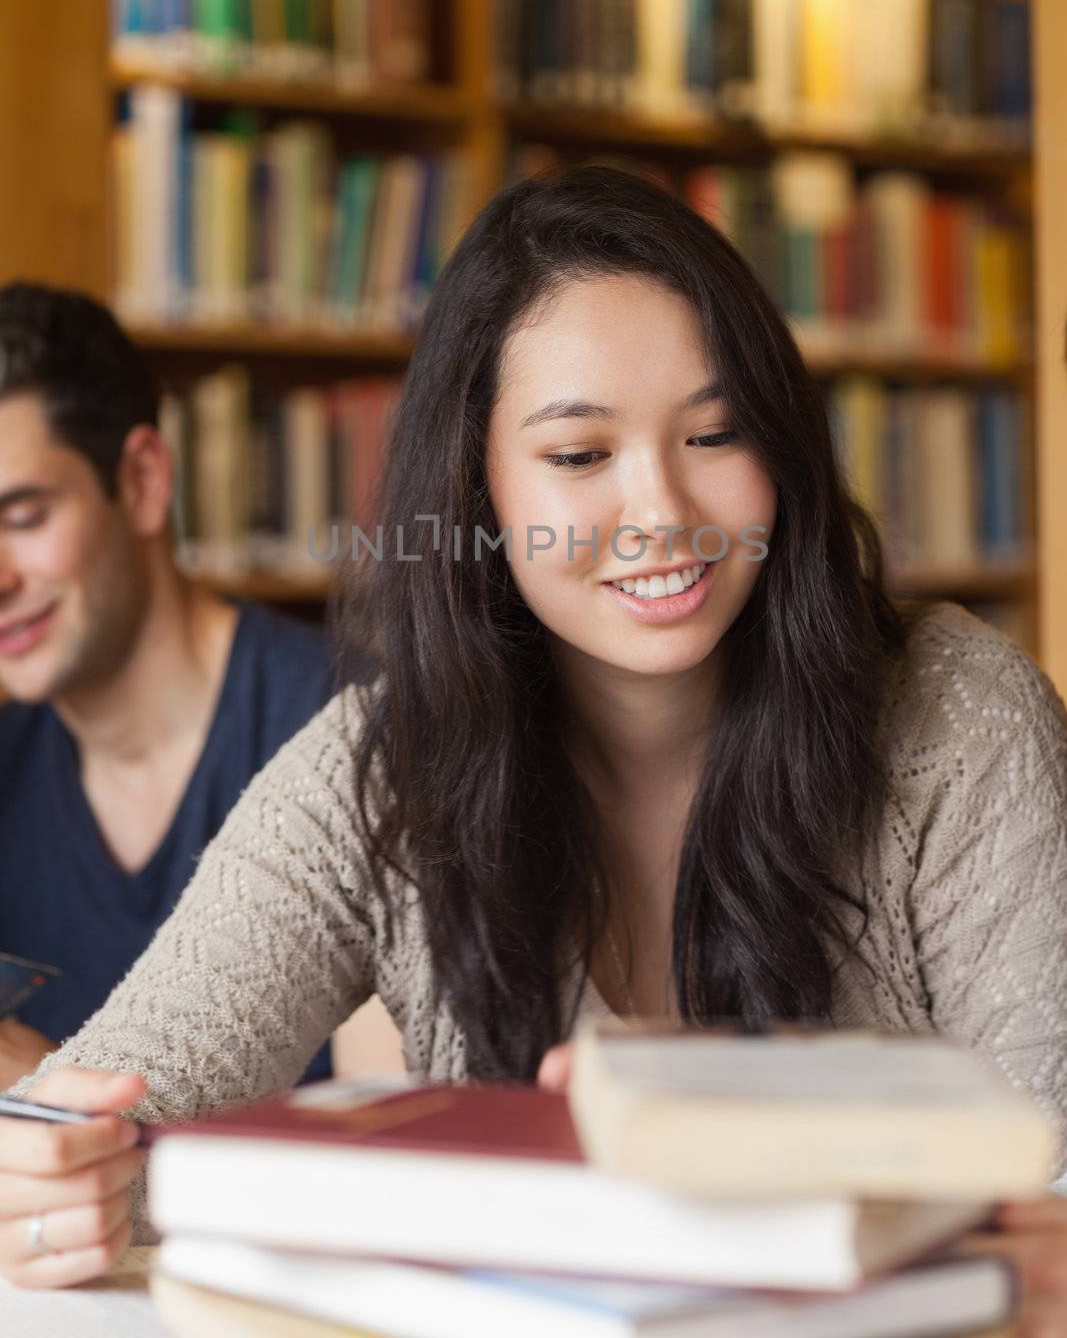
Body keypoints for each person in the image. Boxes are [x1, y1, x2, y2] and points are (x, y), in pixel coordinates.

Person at [2, 167, 1067, 1320]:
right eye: (577, 457)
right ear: (476, 488)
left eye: (715, 432)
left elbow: (1047, 1176)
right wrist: (60, 1179)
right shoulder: (384, 762)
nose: (660, 510)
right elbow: (113, 1102)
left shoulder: (958, 717)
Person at [0, 282, 340, 1090]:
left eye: (23, 519)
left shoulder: (354, 736)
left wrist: (57, 1095)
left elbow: (414, 1129)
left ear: (146, 479)